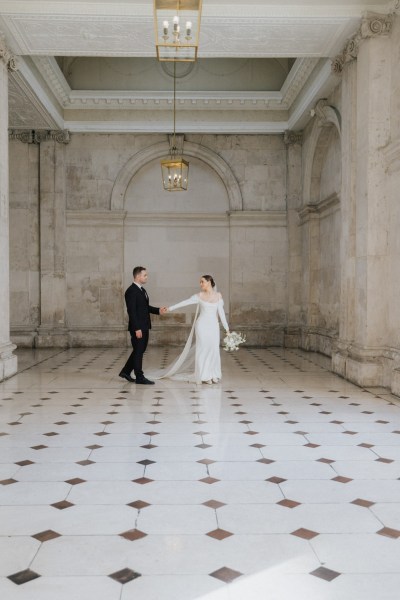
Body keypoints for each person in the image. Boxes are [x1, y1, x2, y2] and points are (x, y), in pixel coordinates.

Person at [163, 275, 230, 384]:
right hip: (202, 325)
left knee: (213, 349)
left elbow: (221, 313)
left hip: (213, 326)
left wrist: (227, 329)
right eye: (200, 282)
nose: (200, 284)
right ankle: (204, 375)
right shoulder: (199, 296)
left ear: (209, 282)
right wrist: (170, 308)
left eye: (202, 282)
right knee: (203, 348)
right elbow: (184, 302)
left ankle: (213, 374)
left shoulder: (218, 296)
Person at [119, 266, 166, 385]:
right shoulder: (131, 291)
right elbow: (132, 311)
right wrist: (136, 328)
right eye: (145, 275)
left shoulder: (142, 290)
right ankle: (139, 377)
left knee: (139, 350)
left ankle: (125, 371)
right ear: (138, 276)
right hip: (138, 327)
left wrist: (158, 310)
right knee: (139, 351)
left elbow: (145, 307)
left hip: (144, 325)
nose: (147, 277)